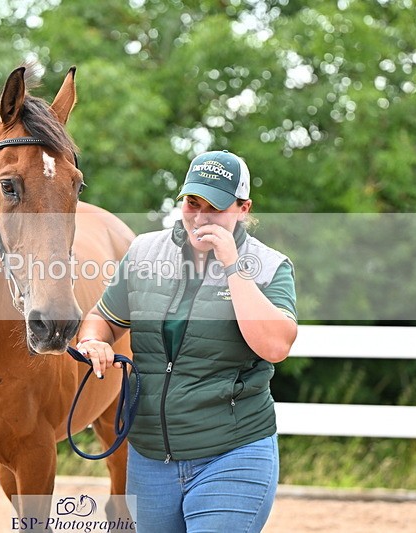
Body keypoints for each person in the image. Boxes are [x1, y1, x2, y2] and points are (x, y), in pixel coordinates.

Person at [77, 150, 297, 532]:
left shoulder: (269, 266)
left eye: (216, 207)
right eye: (193, 203)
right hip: (149, 459)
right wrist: (94, 340)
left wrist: (233, 266)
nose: (201, 216)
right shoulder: (144, 252)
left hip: (232, 454)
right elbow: (102, 319)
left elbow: (276, 347)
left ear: (243, 209)